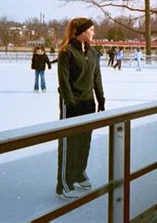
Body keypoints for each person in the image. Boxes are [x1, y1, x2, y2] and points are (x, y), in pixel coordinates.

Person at [56, 17, 105, 199]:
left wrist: (100, 99)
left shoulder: (93, 53)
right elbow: (64, 81)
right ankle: (63, 184)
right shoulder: (66, 52)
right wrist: (70, 103)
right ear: (82, 32)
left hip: (88, 103)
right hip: (72, 104)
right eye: (91, 30)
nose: (93, 33)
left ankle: (78, 173)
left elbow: (96, 78)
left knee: (85, 142)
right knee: (69, 143)